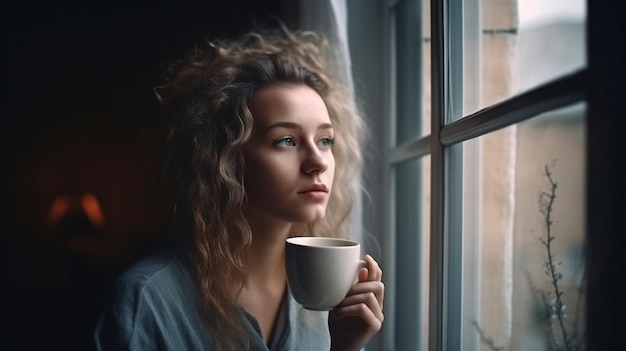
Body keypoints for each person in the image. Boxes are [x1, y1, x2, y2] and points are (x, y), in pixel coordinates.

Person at [93, 24, 384, 351]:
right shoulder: (147, 302)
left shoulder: (331, 299)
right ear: (227, 158)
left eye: (325, 140)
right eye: (286, 140)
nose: (318, 162)